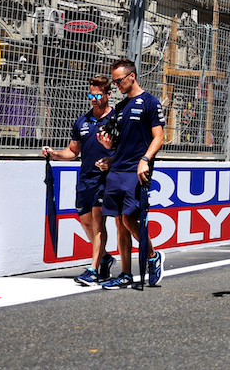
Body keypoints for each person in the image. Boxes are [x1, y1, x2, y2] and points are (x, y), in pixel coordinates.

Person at [96, 58, 166, 289]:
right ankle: (125, 273)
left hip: (137, 171)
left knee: (129, 219)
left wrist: (146, 160)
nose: (116, 85)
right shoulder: (120, 107)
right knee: (119, 223)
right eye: (114, 82)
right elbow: (119, 143)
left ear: (131, 76)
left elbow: (159, 137)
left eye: (118, 81)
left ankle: (153, 256)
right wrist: (108, 153)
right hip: (116, 170)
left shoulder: (150, 102)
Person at [42, 75, 116, 286]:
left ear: (108, 94)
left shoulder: (115, 119)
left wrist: (111, 161)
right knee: (85, 222)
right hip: (85, 179)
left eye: (98, 95)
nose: (94, 99)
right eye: (91, 94)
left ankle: (93, 269)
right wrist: (54, 154)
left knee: (97, 219)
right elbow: (73, 151)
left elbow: (124, 150)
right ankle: (105, 258)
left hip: (106, 178)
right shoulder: (82, 121)